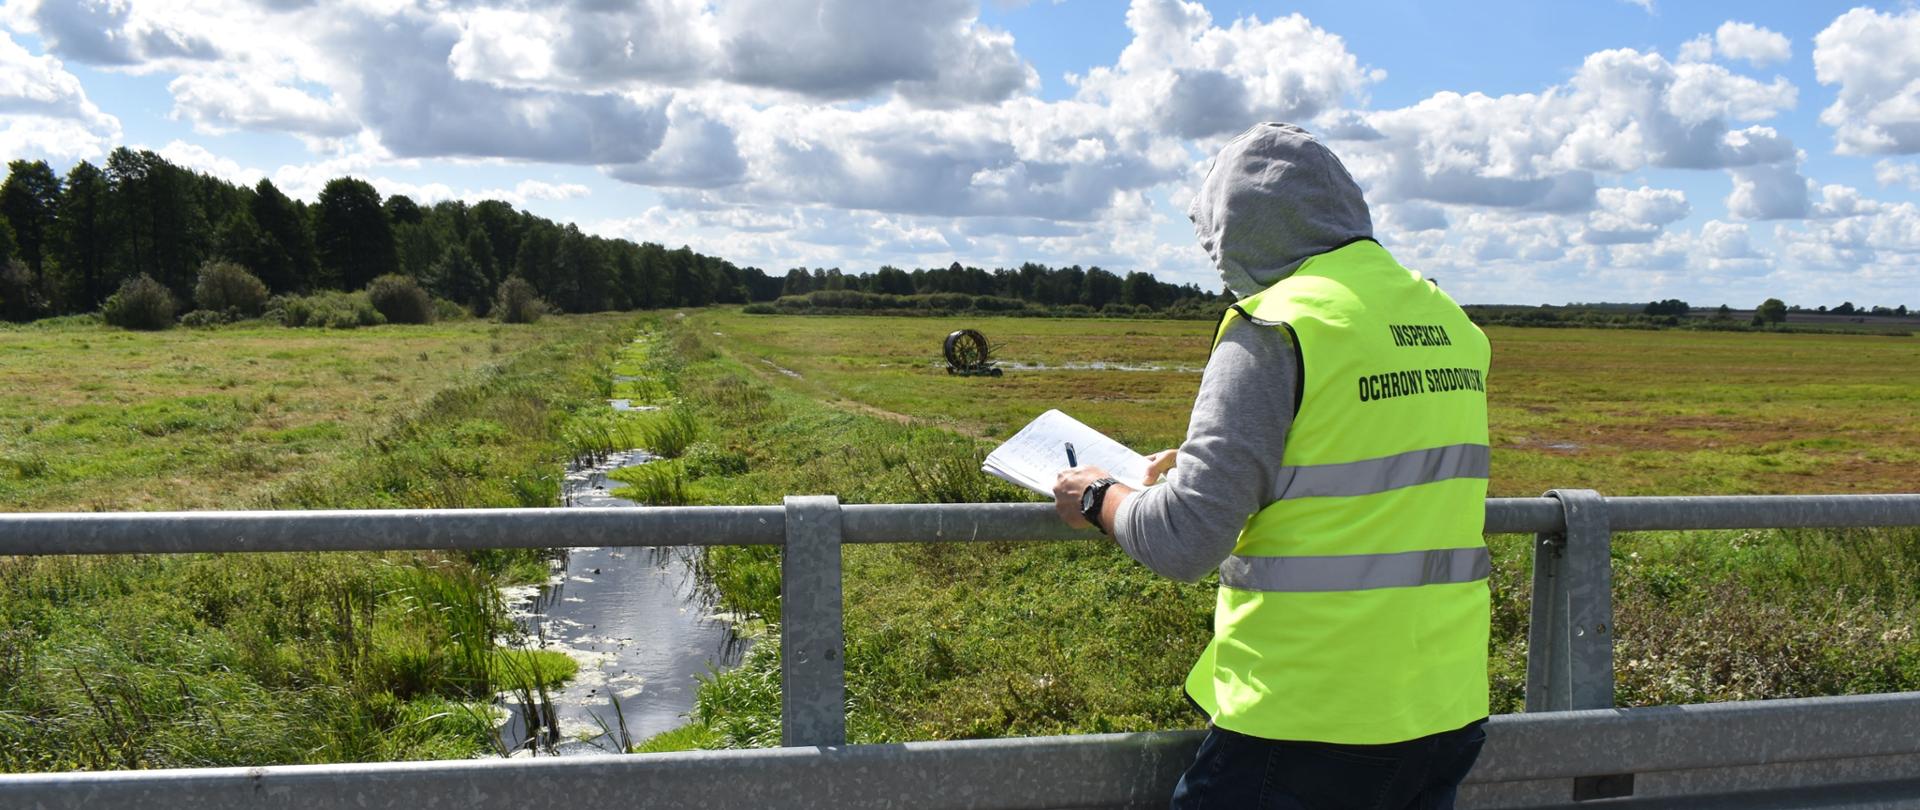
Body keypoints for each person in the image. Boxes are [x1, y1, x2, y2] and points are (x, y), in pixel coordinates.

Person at [1053, 122, 1493, 809]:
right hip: (1444, 706)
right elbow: (1366, 462)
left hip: (1308, 716)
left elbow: (1185, 538)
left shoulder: (1276, 323)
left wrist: (1096, 495)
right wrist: (1222, 461)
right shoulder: (1448, 322)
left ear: (1239, 229)